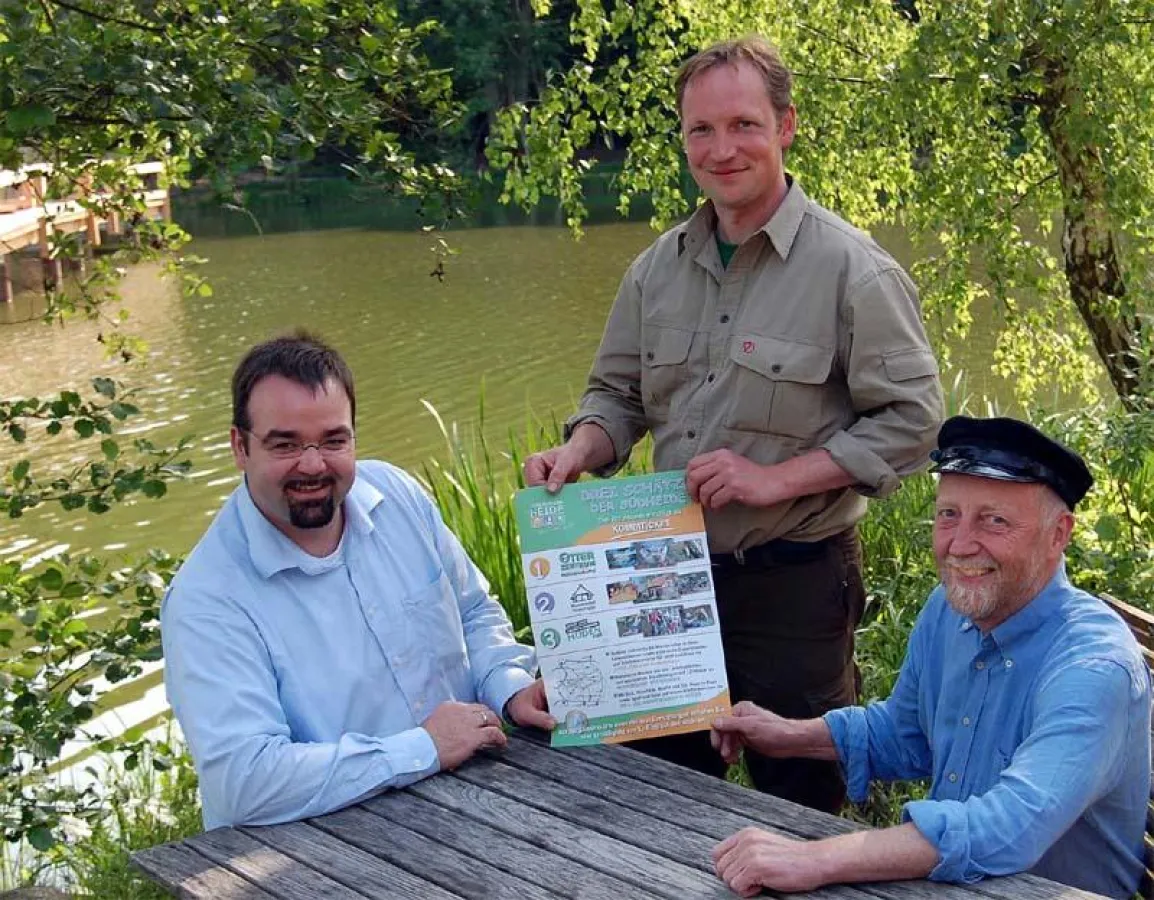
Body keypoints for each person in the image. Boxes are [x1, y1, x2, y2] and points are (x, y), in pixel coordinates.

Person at [523, 35, 943, 812]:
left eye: (744, 124)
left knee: (803, 800)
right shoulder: (652, 270)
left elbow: (915, 422)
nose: (722, 150)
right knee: (654, 794)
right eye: (700, 131)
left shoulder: (856, 271)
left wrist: (775, 478)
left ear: (785, 126)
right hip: (662, 580)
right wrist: (578, 450)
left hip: (797, 582)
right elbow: (616, 396)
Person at [710, 416, 1151, 899]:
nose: (960, 546)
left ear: (1057, 534)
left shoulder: (1093, 667)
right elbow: (907, 732)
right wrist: (786, 735)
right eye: (948, 516)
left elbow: (1013, 822)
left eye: (994, 520)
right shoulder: (948, 610)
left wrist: (816, 857)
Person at [162, 333, 554, 829]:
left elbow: (473, 610)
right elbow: (244, 782)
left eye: (333, 441)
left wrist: (509, 687)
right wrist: (423, 748)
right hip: (322, 850)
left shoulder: (396, 494)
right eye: (284, 444)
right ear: (240, 445)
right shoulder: (206, 600)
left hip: (473, 801)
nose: (312, 464)